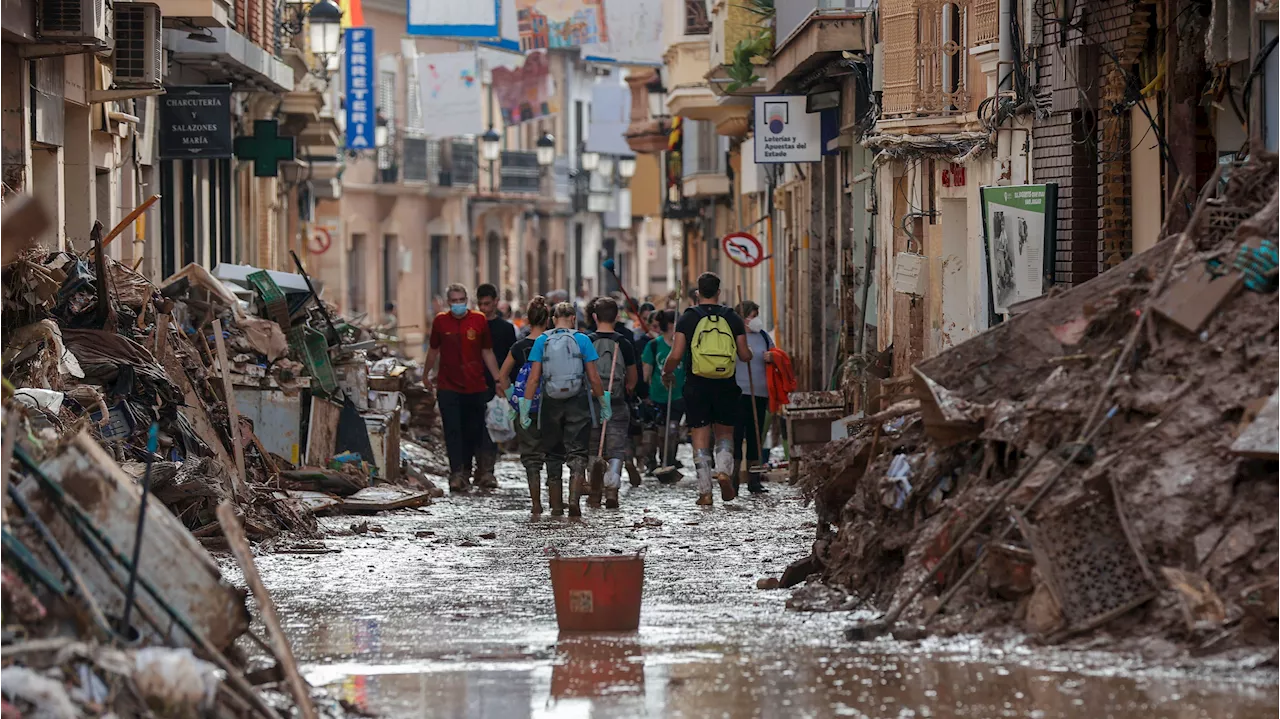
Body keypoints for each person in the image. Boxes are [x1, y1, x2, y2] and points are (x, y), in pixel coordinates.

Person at [662, 272, 752, 506]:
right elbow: (744, 355)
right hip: (726, 383)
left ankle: (705, 492)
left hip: (697, 385)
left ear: (697, 293)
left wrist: (666, 371)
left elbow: (676, 355)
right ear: (719, 292)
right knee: (725, 434)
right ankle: (723, 470)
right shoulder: (732, 317)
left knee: (700, 437)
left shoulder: (688, 318)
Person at [519, 302, 607, 517]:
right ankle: (574, 499)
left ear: (552, 319)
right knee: (577, 451)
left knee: (553, 453)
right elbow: (594, 377)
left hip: (551, 401)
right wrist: (604, 404)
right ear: (574, 318)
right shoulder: (583, 340)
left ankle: (556, 506)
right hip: (578, 400)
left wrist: (525, 408)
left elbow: (533, 379)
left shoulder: (542, 341)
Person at [424, 284, 503, 493]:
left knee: (473, 430)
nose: (458, 304)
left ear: (466, 300)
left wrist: (497, 378)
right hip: (448, 385)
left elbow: (487, 351)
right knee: (452, 431)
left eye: (461, 300)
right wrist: (425, 374)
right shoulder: (441, 322)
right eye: (454, 300)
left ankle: (473, 470)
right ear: (448, 302)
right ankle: (457, 474)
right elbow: (433, 350)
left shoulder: (478, 320)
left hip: (475, 385)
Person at [498, 296, 552, 515]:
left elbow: (502, 377)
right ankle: (557, 503)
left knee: (531, 457)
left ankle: (536, 503)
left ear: (528, 319)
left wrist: (513, 399)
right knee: (554, 455)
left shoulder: (519, 347)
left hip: (525, 409)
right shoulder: (553, 343)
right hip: (553, 407)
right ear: (548, 320)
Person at [585, 297, 638, 508]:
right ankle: (612, 491)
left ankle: (594, 492)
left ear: (594, 317)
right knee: (616, 448)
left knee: (592, 448)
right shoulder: (623, 342)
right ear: (617, 316)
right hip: (616, 402)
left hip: (591, 404)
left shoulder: (586, 341)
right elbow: (633, 380)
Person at [474, 283, 517, 489]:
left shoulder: (505, 328)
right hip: (473, 382)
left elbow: (512, 357)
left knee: (491, 427)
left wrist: (506, 384)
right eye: (481, 304)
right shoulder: (472, 325)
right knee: (474, 426)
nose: (484, 308)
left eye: (488, 303)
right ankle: (476, 467)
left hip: (496, 385)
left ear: (496, 302)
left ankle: (487, 470)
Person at [733, 301, 773, 494]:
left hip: (760, 393)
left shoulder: (764, 336)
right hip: (738, 393)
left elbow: (776, 355)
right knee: (736, 435)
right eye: (752, 315)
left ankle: (754, 480)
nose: (756, 319)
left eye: (757, 314)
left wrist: (772, 358)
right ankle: (733, 479)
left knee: (755, 436)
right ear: (742, 318)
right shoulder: (732, 336)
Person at [640, 310, 685, 472]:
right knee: (657, 432)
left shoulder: (682, 346)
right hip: (657, 396)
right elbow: (646, 373)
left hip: (678, 396)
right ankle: (651, 462)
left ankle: (668, 462)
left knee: (672, 432)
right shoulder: (653, 346)